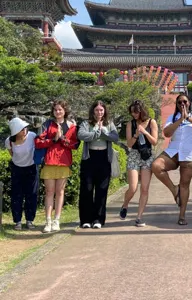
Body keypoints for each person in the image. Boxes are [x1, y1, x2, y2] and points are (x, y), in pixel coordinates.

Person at [152, 93, 192, 225]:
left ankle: (182, 215)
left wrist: (188, 118)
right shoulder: (173, 117)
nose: (182, 104)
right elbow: (166, 133)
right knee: (156, 166)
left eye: (185, 102)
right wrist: (180, 120)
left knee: (184, 184)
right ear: (176, 105)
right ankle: (173, 189)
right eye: (179, 102)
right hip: (174, 151)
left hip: (190, 154)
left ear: (189, 103)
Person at [35, 100, 79, 233]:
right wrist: (52, 139)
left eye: (60, 109)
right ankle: (48, 221)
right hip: (49, 161)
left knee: (60, 192)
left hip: (64, 162)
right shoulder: (47, 124)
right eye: (55, 110)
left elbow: (75, 145)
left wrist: (62, 139)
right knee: (49, 192)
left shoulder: (71, 126)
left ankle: (57, 220)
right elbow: (37, 142)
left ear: (65, 110)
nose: (58, 112)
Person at [78, 100, 119, 229]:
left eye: (101, 110)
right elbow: (81, 135)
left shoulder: (109, 123)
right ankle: (86, 219)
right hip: (89, 158)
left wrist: (104, 133)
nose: (99, 112)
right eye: (97, 110)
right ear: (93, 111)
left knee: (102, 190)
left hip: (104, 158)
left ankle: (98, 219)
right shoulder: (86, 123)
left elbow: (115, 137)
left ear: (104, 111)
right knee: (87, 189)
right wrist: (96, 133)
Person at [119, 100, 158, 227]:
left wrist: (145, 132)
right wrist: (136, 135)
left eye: (136, 112)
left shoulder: (152, 122)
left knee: (145, 188)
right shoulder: (130, 124)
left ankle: (139, 217)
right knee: (133, 187)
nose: (134, 115)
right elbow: (129, 144)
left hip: (147, 155)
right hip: (135, 155)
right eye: (132, 113)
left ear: (141, 111)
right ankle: (125, 204)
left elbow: (155, 142)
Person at [5, 118, 38, 230]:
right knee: (16, 195)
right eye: (21, 129)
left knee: (32, 194)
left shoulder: (32, 136)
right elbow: (12, 154)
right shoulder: (9, 141)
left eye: (25, 128)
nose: (24, 130)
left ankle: (30, 220)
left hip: (31, 168)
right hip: (17, 169)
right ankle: (17, 221)